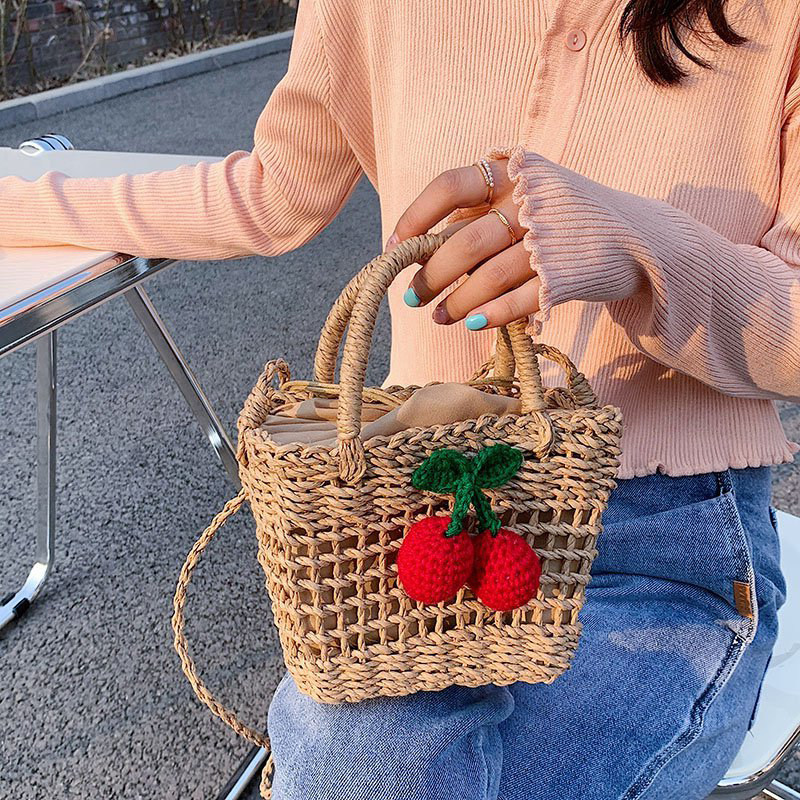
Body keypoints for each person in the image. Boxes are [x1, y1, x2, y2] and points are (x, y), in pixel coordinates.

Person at [1, 1, 798, 797]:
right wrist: (19, 202)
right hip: (411, 529)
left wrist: (632, 247)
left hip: (660, 548)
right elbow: (272, 191)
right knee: (362, 758)